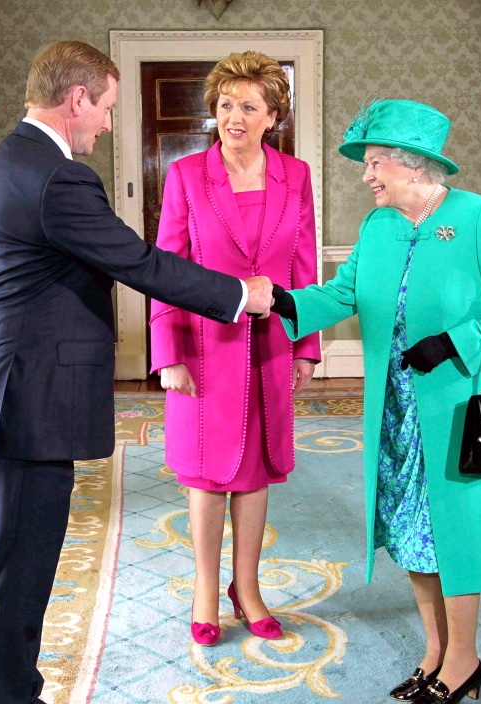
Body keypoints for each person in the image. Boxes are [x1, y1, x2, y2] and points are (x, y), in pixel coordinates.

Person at [0, 41, 273, 704]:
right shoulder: (57, 176)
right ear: (76, 101)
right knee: (15, 581)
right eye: (104, 109)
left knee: (15, 576)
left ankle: (13, 691)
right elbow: (139, 263)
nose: (104, 123)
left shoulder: (1, 163)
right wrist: (241, 294)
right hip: (26, 405)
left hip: (7, 393)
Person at [271, 99, 481, 704]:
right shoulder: (379, 227)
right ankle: (435, 652)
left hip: (465, 405)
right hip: (396, 409)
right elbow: (344, 292)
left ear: (412, 166)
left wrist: (453, 342)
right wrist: (285, 303)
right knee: (413, 530)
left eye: (374, 165)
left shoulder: (479, 218)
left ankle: (464, 659)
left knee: (458, 532)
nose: (367, 176)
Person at [150, 51, 320, 646]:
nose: (235, 117)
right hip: (202, 347)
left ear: (273, 115)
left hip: (271, 346)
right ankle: (204, 590)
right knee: (204, 473)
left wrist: (306, 347)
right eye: (226, 105)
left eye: (249, 106)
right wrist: (167, 351)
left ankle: (246, 590)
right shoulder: (186, 177)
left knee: (254, 471)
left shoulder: (294, 176)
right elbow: (164, 269)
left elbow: (302, 268)